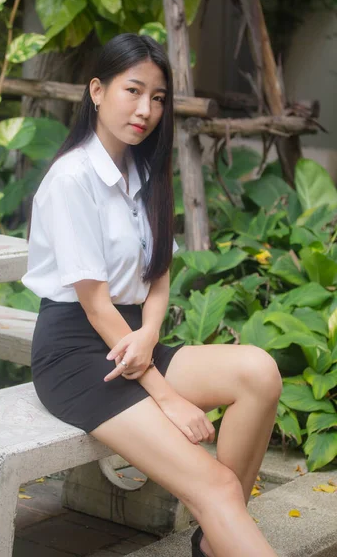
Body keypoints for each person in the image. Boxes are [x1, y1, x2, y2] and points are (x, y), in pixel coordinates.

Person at [22, 32, 281, 557]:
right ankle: (220, 515)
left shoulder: (141, 171)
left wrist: (150, 334)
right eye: (133, 91)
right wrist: (168, 398)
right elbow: (96, 306)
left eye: (158, 98)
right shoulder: (72, 179)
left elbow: (157, 275)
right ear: (96, 90)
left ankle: (218, 531)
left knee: (258, 371)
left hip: (134, 342)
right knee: (218, 485)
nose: (146, 109)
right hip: (78, 356)